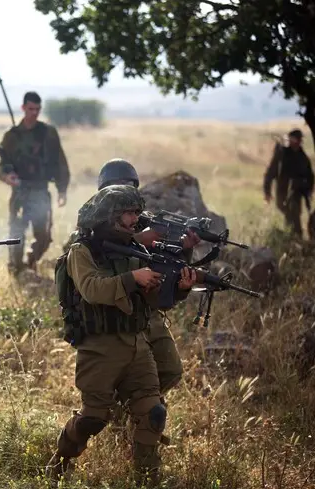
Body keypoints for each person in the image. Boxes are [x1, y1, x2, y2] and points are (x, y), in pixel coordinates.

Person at [46, 185, 197, 486]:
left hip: (137, 344)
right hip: (100, 348)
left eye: (137, 213)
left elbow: (152, 302)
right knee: (93, 418)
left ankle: (147, 478)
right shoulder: (82, 251)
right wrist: (132, 278)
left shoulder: (136, 251)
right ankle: (59, 462)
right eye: (128, 213)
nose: (134, 219)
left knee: (153, 412)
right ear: (110, 215)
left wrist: (179, 289)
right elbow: (92, 289)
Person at [0, 91, 70, 274]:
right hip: (20, 191)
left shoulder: (48, 133)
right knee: (16, 234)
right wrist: (7, 176)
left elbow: (60, 162)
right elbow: (3, 164)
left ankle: (31, 260)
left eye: (37, 109)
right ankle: (17, 268)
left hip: (41, 190)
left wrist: (62, 190)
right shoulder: (11, 136)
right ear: (23, 108)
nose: (34, 113)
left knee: (44, 236)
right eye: (31, 109)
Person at [263, 128, 315, 236]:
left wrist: (308, 191)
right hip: (282, 191)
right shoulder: (282, 154)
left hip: (296, 192)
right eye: (295, 139)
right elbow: (271, 172)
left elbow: (310, 176)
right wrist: (267, 191)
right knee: (287, 212)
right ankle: (293, 237)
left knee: (293, 215)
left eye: (298, 139)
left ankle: (296, 237)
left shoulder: (302, 157)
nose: (297, 142)